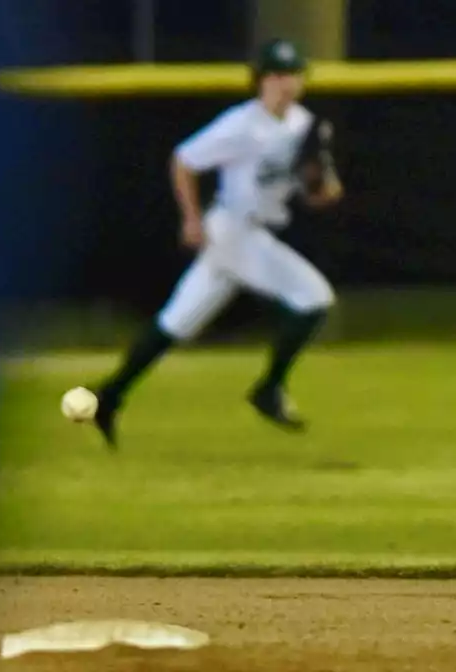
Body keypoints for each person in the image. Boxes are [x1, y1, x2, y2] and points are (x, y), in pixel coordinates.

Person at [85, 38, 343, 448]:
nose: (286, 84)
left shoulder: (304, 126)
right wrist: (190, 218)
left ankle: (106, 397)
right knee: (314, 298)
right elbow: (184, 160)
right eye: (276, 75)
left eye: (293, 74)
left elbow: (320, 195)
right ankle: (269, 389)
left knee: (176, 322)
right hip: (233, 230)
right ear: (260, 81)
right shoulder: (242, 123)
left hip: (253, 232)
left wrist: (321, 182)